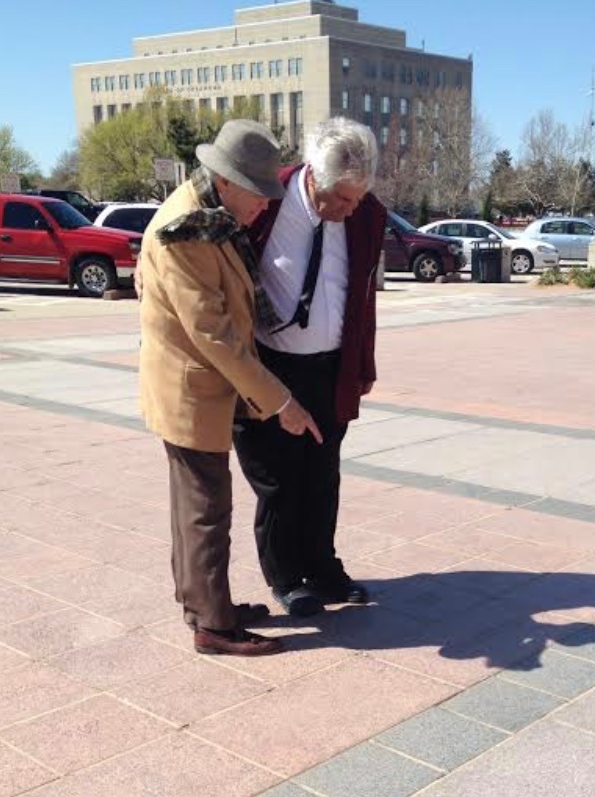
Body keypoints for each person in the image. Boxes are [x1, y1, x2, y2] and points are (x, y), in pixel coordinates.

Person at [138, 119, 321, 656]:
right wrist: (281, 402)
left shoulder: (206, 215)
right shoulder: (187, 232)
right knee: (206, 509)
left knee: (196, 505)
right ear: (226, 181)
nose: (265, 206)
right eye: (259, 194)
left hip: (198, 386)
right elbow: (215, 337)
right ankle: (214, 628)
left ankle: (203, 602)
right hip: (191, 390)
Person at [233, 117, 386, 617]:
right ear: (313, 175)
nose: (350, 208)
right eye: (340, 198)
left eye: (358, 197)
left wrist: (361, 365)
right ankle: (286, 576)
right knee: (278, 479)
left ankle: (323, 568)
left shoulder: (366, 216)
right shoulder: (265, 201)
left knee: (322, 474)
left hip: (329, 367)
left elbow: (362, 298)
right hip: (268, 366)